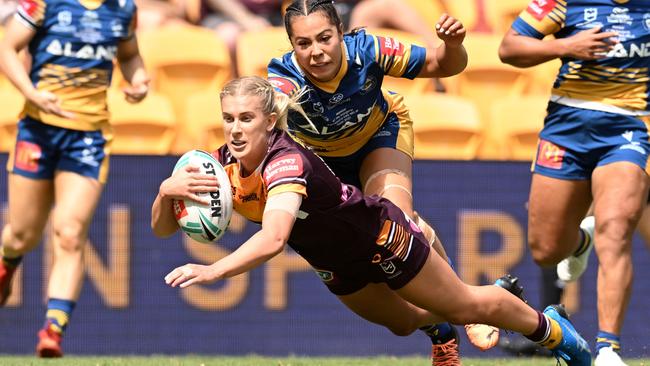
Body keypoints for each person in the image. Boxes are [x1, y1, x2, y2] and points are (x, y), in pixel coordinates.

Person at [151, 76, 592, 366]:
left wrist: (214, 269)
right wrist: (165, 193)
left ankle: (556, 334)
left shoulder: (285, 162)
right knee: (402, 323)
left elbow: (273, 239)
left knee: (466, 306)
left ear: (269, 121)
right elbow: (163, 227)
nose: (235, 129)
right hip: (334, 261)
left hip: (378, 236)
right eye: (228, 119)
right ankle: (442, 329)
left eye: (246, 118)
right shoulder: (217, 166)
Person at [266, 1, 469, 359]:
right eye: (303, 44)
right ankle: (439, 329)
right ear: (291, 46)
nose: (316, 52)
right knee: (396, 315)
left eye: (324, 38)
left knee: (398, 220)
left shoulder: (370, 50)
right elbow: (266, 110)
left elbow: (442, 64)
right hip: (323, 166)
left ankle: (470, 306)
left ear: (341, 33)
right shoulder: (284, 77)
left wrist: (453, 46)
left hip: (379, 136)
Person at [498, 1, 650, 365]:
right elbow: (509, 48)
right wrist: (565, 46)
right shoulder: (564, 3)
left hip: (628, 129)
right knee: (545, 250)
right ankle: (581, 240)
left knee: (616, 229)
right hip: (566, 131)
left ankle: (607, 349)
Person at [0, 0, 149, 357]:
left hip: (89, 137)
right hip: (38, 131)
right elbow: (6, 47)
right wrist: (31, 93)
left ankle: (53, 329)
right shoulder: (43, 4)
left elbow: (129, 55)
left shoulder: (124, 9)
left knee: (70, 233)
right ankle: (8, 261)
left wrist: (139, 80)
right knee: (22, 233)